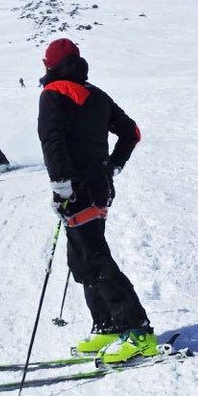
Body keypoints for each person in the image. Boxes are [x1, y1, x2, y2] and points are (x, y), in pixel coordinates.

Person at [37, 38, 154, 364]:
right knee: (81, 260)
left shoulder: (52, 94)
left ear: (51, 65)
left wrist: (61, 187)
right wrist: (112, 165)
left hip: (75, 191)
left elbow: (52, 143)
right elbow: (132, 132)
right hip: (99, 188)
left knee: (94, 258)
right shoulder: (97, 95)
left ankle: (138, 330)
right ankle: (108, 326)